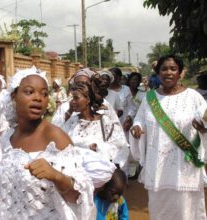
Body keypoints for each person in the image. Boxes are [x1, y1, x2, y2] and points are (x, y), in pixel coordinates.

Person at [0, 67, 99, 219]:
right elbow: (8, 177)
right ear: (14, 96)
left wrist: (56, 176)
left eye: (44, 94)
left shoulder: (55, 136)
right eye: (30, 92)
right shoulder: (9, 137)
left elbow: (79, 195)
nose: (38, 98)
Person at [130, 54, 207, 220]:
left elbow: (205, 120)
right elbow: (140, 121)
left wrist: (204, 129)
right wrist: (137, 129)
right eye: (164, 69)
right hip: (157, 169)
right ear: (158, 73)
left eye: (173, 69)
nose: (168, 72)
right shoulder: (149, 99)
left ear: (180, 73)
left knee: (185, 211)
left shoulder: (194, 97)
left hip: (185, 168)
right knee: (160, 211)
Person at [61, 81, 129, 169]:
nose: (72, 102)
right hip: (75, 170)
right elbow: (61, 144)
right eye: (72, 98)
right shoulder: (72, 121)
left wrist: (99, 148)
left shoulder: (104, 121)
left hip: (100, 171)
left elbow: (121, 146)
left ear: (88, 100)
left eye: (76, 98)